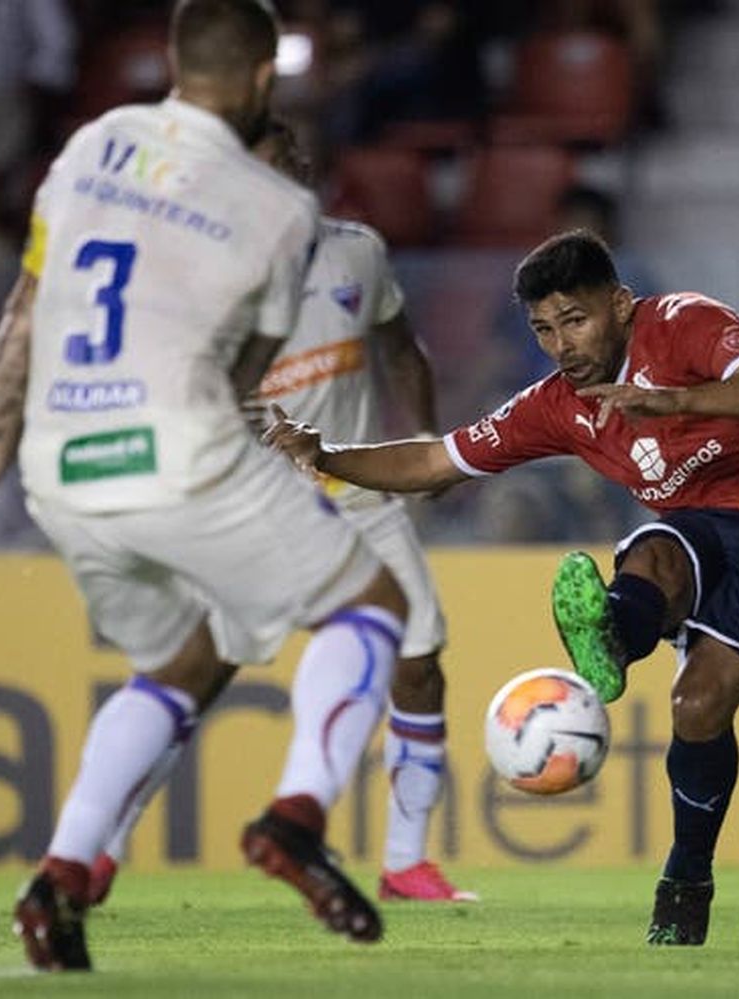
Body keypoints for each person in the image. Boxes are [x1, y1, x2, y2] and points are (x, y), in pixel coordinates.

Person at [0, 0, 406, 970]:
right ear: (262, 78)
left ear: (174, 65)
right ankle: (298, 815)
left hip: (60, 464)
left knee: (179, 665)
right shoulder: (283, 208)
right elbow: (239, 377)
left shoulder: (94, 145)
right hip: (177, 443)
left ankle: (61, 873)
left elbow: (24, 309)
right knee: (371, 605)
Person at [265, 229, 739, 946]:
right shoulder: (557, 404)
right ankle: (611, 637)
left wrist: (671, 403)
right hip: (704, 532)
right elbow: (435, 459)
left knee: (697, 700)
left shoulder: (685, 322)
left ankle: (686, 876)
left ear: (619, 303)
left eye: (575, 320)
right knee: (654, 549)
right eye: (543, 328)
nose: (561, 344)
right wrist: (326, 455)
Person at [84, 119, 473, 904]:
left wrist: (424, 439)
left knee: (420, 667)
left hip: (360, 501)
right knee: (190, 677)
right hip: (252, 512)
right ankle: (101, 848)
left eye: (293, 160)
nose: (285, 177)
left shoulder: (357, 249)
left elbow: (401, 346)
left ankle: (405, 862)